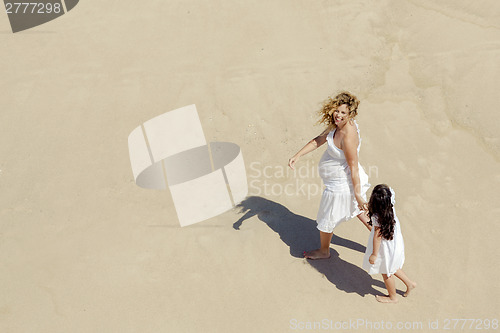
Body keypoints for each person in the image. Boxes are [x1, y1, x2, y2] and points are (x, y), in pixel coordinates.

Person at [288, 91, 371, 260]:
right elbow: (318, 140)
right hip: (339, 181)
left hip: (341, 186)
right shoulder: (336, 126)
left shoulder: (348, 136)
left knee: (327, 218)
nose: (338, 115)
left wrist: (357, 194)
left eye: (343, 113)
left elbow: (353, 166)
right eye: (337, 111)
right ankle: (384, 238)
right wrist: (298, 155)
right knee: (360, 212)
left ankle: (324, 251)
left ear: (351, 115)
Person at [362, 184, 416, 303]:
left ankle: (393, 297)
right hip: (394, 242)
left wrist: (374, 254)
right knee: (392, 266)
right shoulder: (389, 205)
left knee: (386, 272)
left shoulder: (378, 217)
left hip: (384, 247)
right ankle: (409, 283)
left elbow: (377, 237)